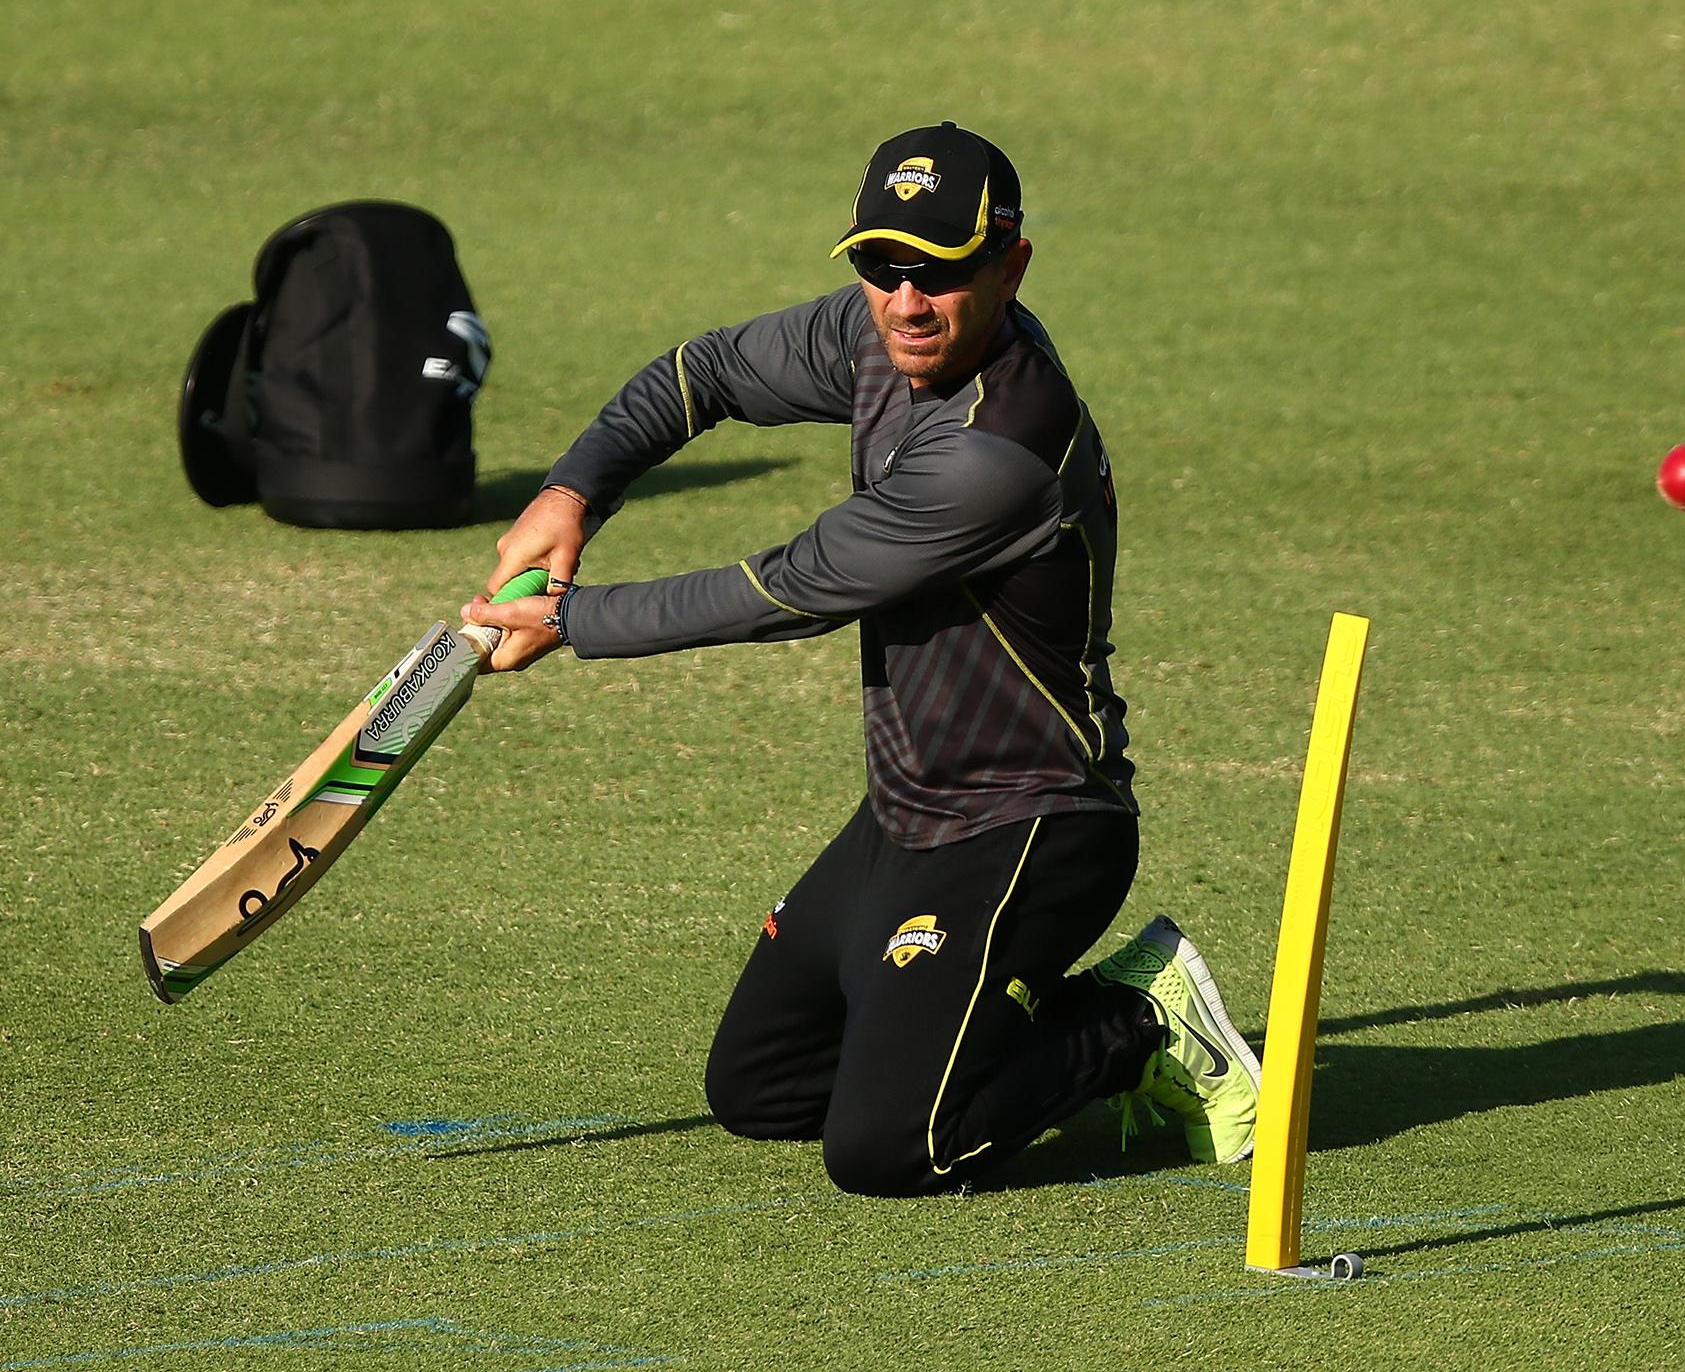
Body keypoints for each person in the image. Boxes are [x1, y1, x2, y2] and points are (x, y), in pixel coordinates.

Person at [462, 122, 1262, 1196]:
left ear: (1010, 263)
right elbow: (697, 375)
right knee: (764, 1088)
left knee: (889, 1150)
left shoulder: (1002, 448)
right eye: (882, 266)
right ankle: (977, 1036)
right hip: (901, 812)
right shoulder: (877, 333)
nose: (905, 300)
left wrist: (572, 620)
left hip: (1027, 824)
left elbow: (791, 588)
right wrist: (571, 493)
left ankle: (1134, 1021)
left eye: (937, 271)